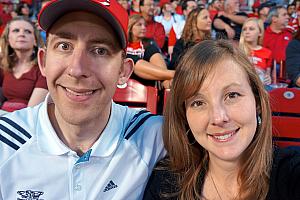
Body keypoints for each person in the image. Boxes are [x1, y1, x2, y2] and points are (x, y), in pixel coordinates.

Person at [0, 0, 165, 199]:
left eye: (100, 50)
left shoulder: (153, 136)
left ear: (123, 71)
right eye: (64, 46)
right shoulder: (5, 143)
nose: (77, 70)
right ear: (43, 62)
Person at [143, 40, 300, 199]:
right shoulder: (166, 184)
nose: (218, 118)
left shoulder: (291, 173)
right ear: (184, 116)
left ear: (257, 101)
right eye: (198, 103)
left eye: (232, 95)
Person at [0, 16, 47, 112]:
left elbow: (31, 112)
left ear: (35, 40)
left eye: (28, 31)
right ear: (8, 39)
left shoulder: (42, 67)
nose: (21, 34)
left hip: (25, 121)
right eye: (16, 30)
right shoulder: (3, 64)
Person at [127, 14, 174, 88]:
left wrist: (168, 83)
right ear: (130, 27)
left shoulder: (149, 44)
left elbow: (161, 70)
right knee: (131, 61)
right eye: (139, 25)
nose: (143, 28)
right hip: (124, 83)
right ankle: (175, 74)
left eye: (145, 25)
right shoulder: (122, 44)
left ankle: (173, 79)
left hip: (145, 85)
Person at [240, 18, 272, 85]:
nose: (247, 32)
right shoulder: (237, 51)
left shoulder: (267, 52)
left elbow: (267, 75)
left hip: (260, 86)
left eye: (251, 29)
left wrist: (268, 78)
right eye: (244, 29)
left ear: (260, 33)